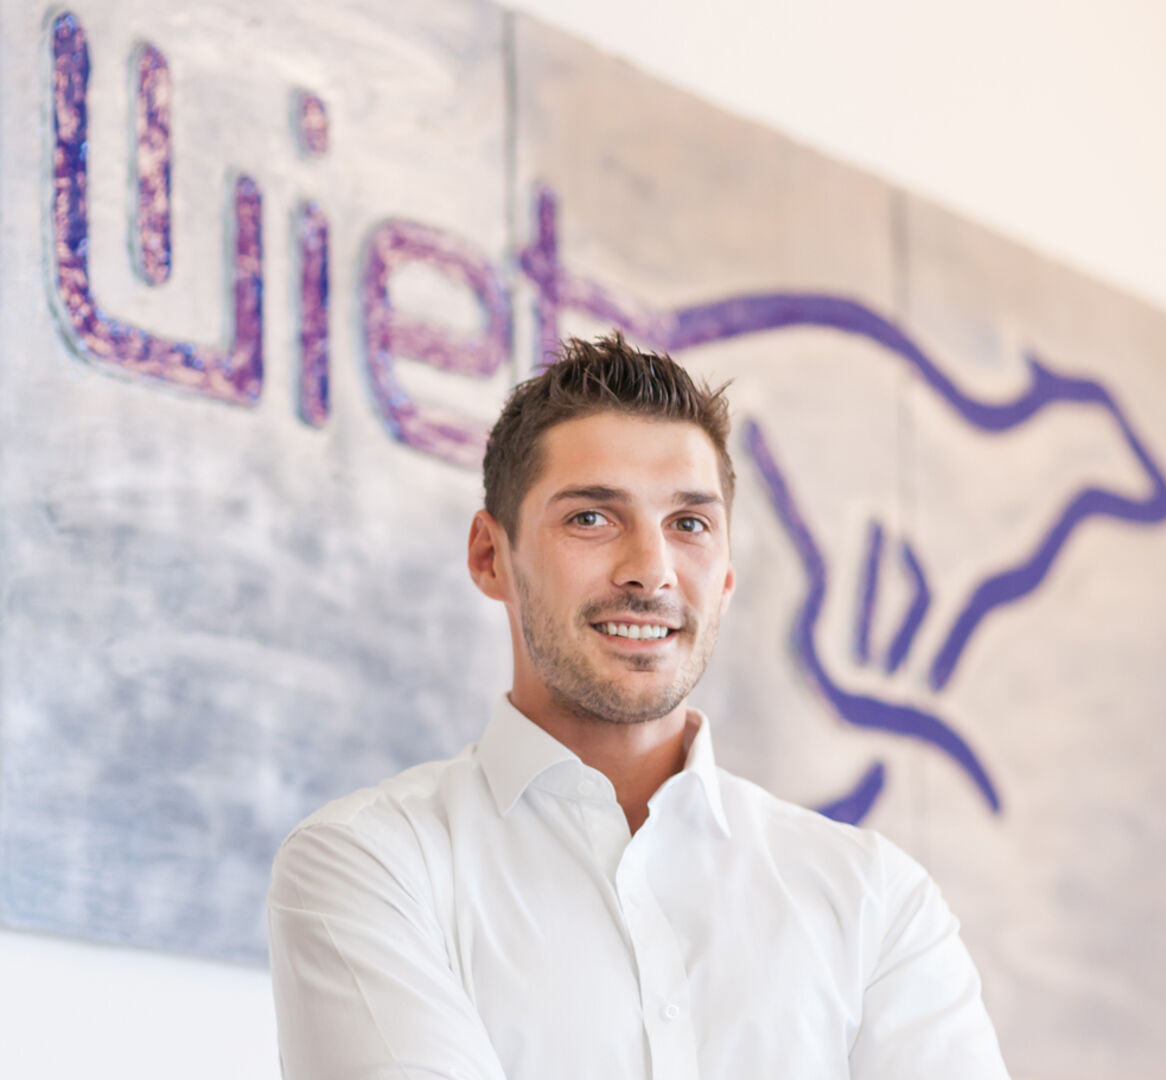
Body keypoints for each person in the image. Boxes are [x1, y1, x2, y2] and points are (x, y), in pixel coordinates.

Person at [267, 333, 1011, 1079]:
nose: (651, 572)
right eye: (592, 518)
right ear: (491, 557)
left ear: (725, 575)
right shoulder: (371, 865)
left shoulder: (876, 900)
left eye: (689, 524)